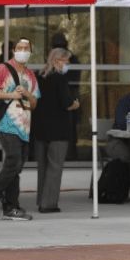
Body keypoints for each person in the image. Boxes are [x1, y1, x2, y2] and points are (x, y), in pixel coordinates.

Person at [0, 38, 40, 222]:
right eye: (20, 48)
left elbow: (35, 102)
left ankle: (11, 207)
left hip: (24, 125)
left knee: (17, 165)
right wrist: (11, 95)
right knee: (14, 159)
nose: (23, 51)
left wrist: (27, 94)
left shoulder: (30, 74)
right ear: (13, 51)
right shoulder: (1, 69)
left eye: (26, 48)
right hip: (6, 122)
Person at [32, 48, 79, 213]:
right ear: (57, 61)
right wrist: (76, 104)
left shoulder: (39, 77)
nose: (68, 64)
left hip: (40, 129)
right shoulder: (60, 79)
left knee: (43, 168)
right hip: (58, 129)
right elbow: (66, 103)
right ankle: (48, 204)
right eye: (66, 61)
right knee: (55, 167)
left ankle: (41, 200)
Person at [51, 33, 81, 160]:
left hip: (68, 97)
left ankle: (70, 156)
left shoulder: (71, 60)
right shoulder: (62, 59)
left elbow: (73, 80)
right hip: (59, 99)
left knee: (70, 131)